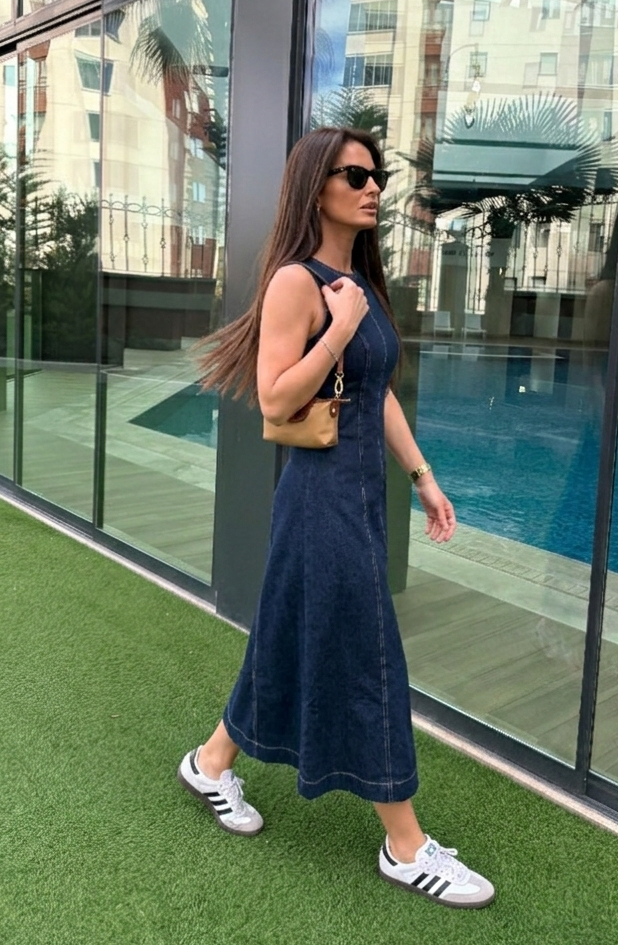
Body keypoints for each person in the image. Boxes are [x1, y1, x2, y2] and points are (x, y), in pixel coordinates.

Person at [178, 127, 495, 910]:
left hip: (358, 495)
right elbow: (275, 395)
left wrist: (422, 476)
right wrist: (341, 329)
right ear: (315, 186)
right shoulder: (299, 283)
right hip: (320, 498)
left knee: (289, 634)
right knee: (368, 653)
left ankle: (210, 762)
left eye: (375, 174)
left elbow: (376, 392)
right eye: (354, 174)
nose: (372, 186)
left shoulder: (358, 285)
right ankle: (405, 844)